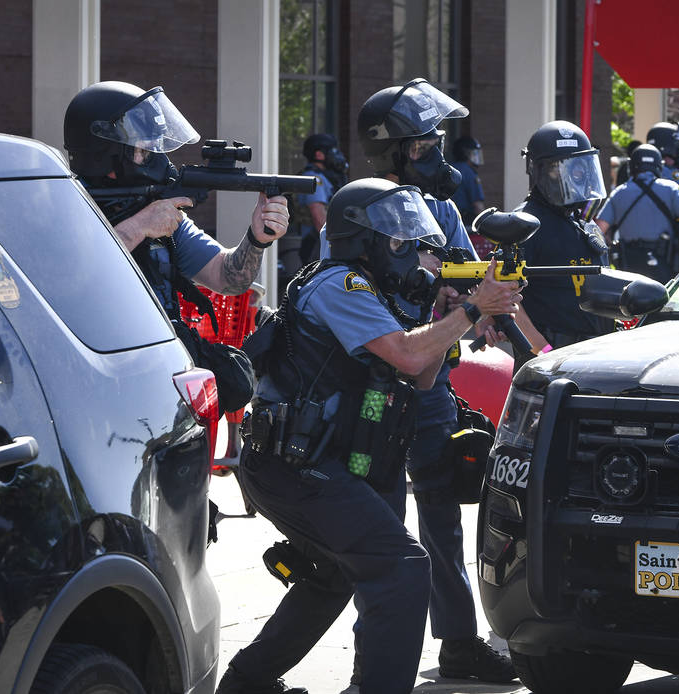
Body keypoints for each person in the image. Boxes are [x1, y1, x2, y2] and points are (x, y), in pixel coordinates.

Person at [216, 178, 521, 694]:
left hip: (332, 459)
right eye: (398, 237)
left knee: (335, 572)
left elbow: (420, 374)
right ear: (368, 239)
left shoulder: (380, 292)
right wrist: (473, 310)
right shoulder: (342, 286)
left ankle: (248, 683)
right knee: (402, 568)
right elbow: (407, 353)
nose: (409, 247)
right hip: (292, 463)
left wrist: (443, 312)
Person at [350, 79, 519, 684]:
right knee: (383, 527)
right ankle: (374, 660)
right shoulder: (358, 209)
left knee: (443, 513)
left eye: (435, 141)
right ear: (393, 152)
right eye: (422, 145)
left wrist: (480, 302)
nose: (436, 154)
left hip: (432, 388)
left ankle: (458, 642)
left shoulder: (445, 209)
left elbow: (460, 282)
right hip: (375, 391)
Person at [63, 81, 289, 319]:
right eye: (143, 151)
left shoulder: (156, 211)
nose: (156, 161)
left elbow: (228, 279)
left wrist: (257, 239)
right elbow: (69, 282)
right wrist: (138, 227)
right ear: (102, 156)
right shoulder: (64, 207)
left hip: (162, 350)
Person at [515, 120, 615, 348]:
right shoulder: (524, 225)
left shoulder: (585, 223)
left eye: (578, 167)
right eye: (556, 168)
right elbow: (503, 298)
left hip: (595, 353)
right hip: (552, 358)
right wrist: (542, 351)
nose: (571, 177)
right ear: (536, 169)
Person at [595, 143, 679, 283]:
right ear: (658, 166)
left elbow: (599, 230)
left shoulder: (619, 193)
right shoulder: (670, 188)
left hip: (629, 267)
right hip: (663, 267)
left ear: (631, 166)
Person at [294, 132, 348, 263]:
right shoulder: (313, 178)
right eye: (333, 151)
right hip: (316, 246)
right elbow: (319, 219)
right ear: (319, 154)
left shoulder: (326, 176)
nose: (336, 155)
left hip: (324, 243)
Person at [449, 135, 486, 226]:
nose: (476, 157)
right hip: (465, 223)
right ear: (465, 154)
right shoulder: (469, 172)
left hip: (447, 220)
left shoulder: (449, 168)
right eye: (474, 154)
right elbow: (478, 205)